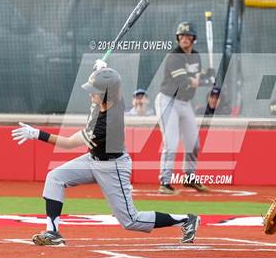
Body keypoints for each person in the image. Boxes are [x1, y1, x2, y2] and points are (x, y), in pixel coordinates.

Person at [11, 65, 200, 246]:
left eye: (95, 91)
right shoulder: (114, 99)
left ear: (107, 94)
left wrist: (38, 134)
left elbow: (68, 143)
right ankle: (52, 232)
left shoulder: (106, 123)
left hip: (113, 167)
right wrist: (99, 69)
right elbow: (109, 85)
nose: (91, 93)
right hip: (93, 159)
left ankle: (185, 220)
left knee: (131, 220)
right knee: (55, 177)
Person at [155, 22, 214, 195]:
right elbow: (186, 81)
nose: (184, 38)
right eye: (181, 35)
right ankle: (165, 182)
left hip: (184, 102)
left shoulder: (196, 56)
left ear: (193, 38)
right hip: (167, 101)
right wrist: (206, 81)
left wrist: (207, 75)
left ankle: (189, 177)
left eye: (188, 36)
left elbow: (197, 76)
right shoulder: (174, 56)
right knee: (171, 143)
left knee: (193, 144)